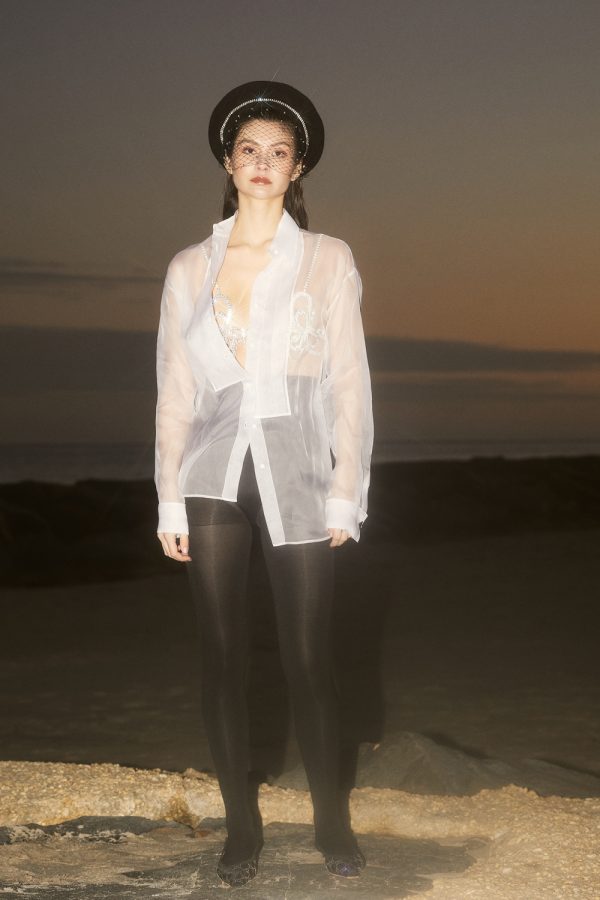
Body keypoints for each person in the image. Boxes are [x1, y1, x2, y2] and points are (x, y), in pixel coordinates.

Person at [154, 80, 373, 887]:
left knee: (309, 656)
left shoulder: (327, 258)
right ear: (228, 160)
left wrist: (348, 490)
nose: (262, 162)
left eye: (279, 152)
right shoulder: (190, 266)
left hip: (300, 473)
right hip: (211, 474)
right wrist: (167, 497)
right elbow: (176, 389)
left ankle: (329, 819)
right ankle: (241, 828)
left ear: (296, 168)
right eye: (249, 149)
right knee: (221, 656)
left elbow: (349, 381)